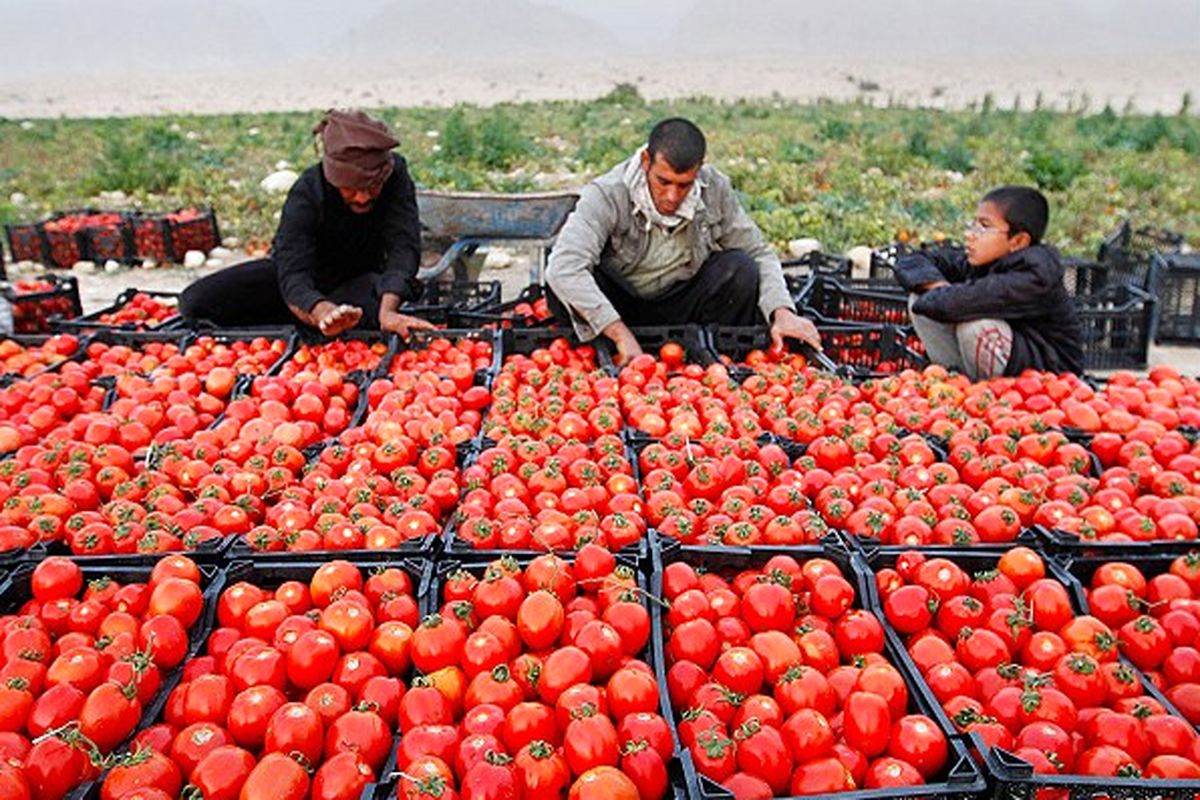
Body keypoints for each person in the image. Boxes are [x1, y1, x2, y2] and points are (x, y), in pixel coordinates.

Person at [545, 118, 821, 364]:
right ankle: (603, 349)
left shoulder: (715, 189)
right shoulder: (607, 194)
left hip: (683, 304)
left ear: (699, 170)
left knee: (741, 268)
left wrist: (782, 311)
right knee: (561, 285)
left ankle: (716, 356)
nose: (672, 197)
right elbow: (564, 268)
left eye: (684, 185)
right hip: (618, 303)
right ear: (645, 162)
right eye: (663, 181)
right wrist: (619, 333)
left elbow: (759, 252)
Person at [180, 109, 435, 338]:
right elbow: (293, 270)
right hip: (298, 283)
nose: (363, 197)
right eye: (351, 190)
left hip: (358, 283)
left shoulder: (395, 174)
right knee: (197, 302)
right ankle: (308, 322)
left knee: (370, 309)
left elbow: (404, 246)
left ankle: (322, 325)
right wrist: (320, 310)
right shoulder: (307, 192)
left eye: (372, 186)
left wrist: (388, 312)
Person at [894, 186, 1083, 379]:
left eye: (984, 227)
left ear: (1018, 241)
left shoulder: (1035, 275)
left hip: (1048, 375)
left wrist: (942, 296)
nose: (970, 235)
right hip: (1012, 359)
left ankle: (981, 394)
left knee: (976, 327)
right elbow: (912, 261)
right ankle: (956, 383)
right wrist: (937, 287)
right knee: (921, 296)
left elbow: (957, 304)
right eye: (973, 224)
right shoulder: (984, 260)